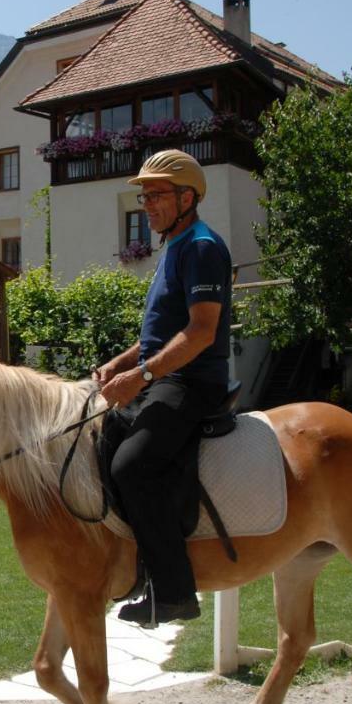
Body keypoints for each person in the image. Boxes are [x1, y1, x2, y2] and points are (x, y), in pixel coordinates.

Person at [92, 149, 232, 626]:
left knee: (133, 467)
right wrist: (120, 363)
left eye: (156, 195)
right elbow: (157, 337)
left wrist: (142, 376)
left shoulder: (202, 248)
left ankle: (173, 593)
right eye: (144, 195)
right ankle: (130, 569)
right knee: (101, 441)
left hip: (193, 382)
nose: (146, 204)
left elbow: (200, 333)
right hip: (164, 377)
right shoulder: (175, 246)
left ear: (187, 197)